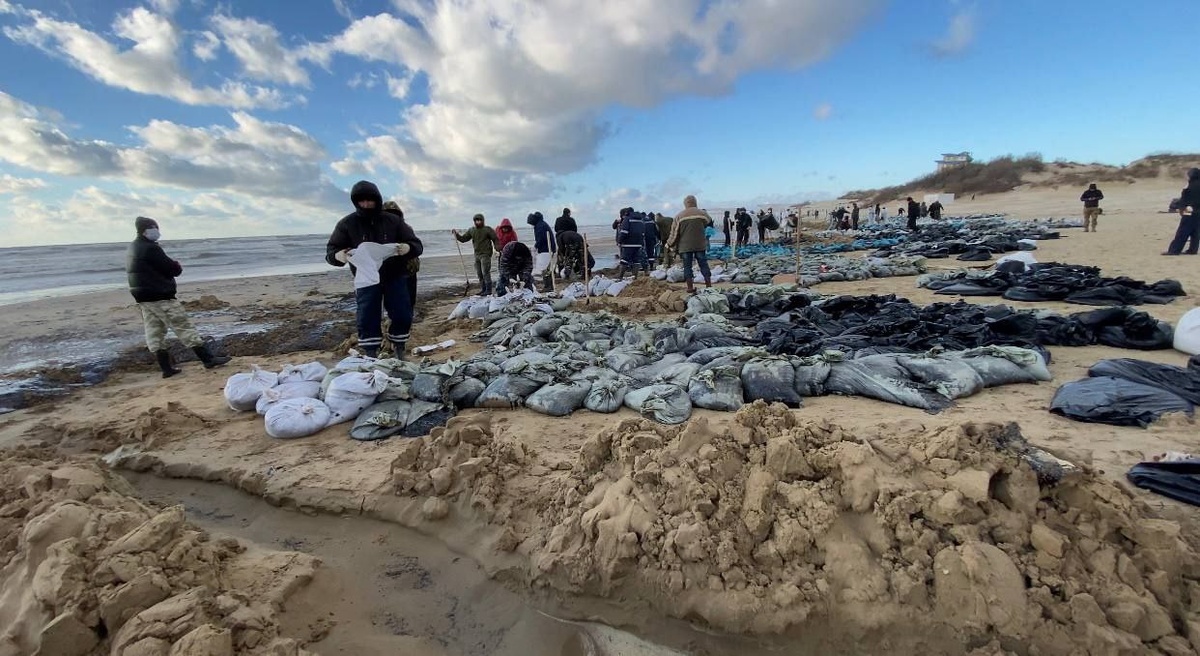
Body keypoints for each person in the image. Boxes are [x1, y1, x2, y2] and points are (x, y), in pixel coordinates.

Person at [327, 181, 424, 358]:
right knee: (367, 317)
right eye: (361, 201)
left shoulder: (393, 221)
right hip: (366, 279)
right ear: (355, 201)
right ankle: (371, 354)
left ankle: (399, 348)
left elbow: (417, 244)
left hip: (395, 275)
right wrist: (338, 256)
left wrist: (408, 248)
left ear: (377, 199)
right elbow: (331, 251)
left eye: (370, 200)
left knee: (402, 314)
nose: (366, 204)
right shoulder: (347, 224)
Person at [127, 216, 231, 377]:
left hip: (143, 297)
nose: (157, 231)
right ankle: (208, 359)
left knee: (154, 330)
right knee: (182, 325)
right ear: (146, 230)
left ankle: (166, 368)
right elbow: (172, 269)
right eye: (155, 228)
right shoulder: (151, 248)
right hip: (160, 295)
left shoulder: (133, 247)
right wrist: (176, 265)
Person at [382, 201, 419, 319]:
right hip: (393, 271)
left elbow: (416, 245)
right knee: (394, 299)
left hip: (410, 268)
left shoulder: (406, 228)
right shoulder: (381, 231)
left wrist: (408, 247)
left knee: (410, 296)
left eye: (394, 214)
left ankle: (409, 316)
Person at [668, 195, 713, 293]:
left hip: (685, 246)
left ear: (685, 204)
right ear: (695, 202)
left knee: (687, 266)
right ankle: (708, 285)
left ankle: (690, 287)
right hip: (699, 244)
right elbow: (708, 221)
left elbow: (674, 233)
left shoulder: (679, 216)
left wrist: (669, 244)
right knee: (703, 264)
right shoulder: (702, 213)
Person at [453, 214, 500, 295]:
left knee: (485, 272)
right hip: (477, 255)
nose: (478, 222)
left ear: (482, 220)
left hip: (485, 254)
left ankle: (488, 290)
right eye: (476, 220)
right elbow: (463, 239)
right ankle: (483, 289)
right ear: (474, 221)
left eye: (479, 220)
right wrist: (456, 235)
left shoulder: (487, 229)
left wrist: (497, 248)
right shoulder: (472, 230)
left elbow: (495, 239)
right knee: (479, 273)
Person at [1164, 168, 1200, 256]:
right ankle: (1193, 249)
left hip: (1189, 210)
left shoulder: (1190, 185)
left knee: (1183, 230)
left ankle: (1174, 250)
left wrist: (1181, 208)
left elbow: (1185, 197)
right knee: (1195, 231)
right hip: (1198, 211)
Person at [526, 211, 556, 291]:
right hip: (548, 248)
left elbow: (541, 238)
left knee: (544, 268)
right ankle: (549, 286)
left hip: (546, 249)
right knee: (547, 268)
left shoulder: (540, 226)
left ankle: (548, 286)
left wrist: (536, 246)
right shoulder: (541, 224)